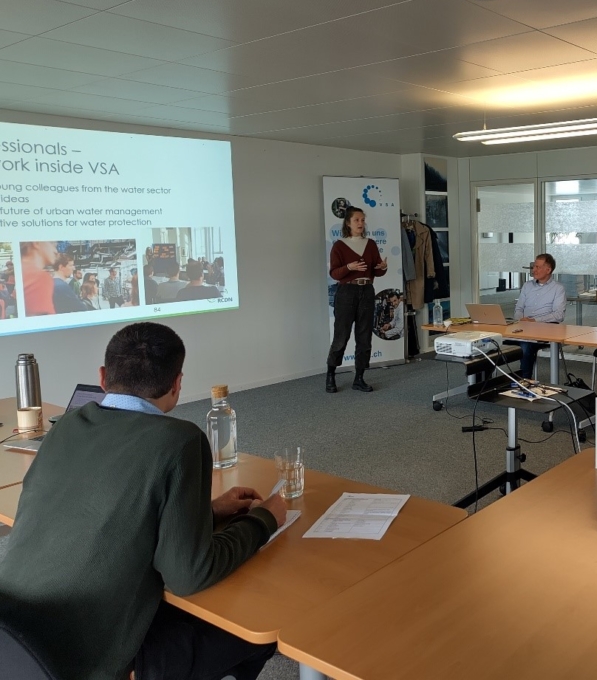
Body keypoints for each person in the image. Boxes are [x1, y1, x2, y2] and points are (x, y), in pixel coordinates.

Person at [0, 322, 286, 680]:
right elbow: (189, 575)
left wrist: (208, 512)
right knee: (259, 626)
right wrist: (263, 520)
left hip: (12, 640)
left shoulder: (66, 426)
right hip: (90, 659)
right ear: (177, 384)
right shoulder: (179, 440)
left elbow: (112, 514)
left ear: (103, 377)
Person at [326, 206, 388, 393]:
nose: (361, 223)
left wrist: (382, 267)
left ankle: (359, 378)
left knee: (364, 337)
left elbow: (376, 271)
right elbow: (334, 274)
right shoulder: (339, 246)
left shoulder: (371, 244)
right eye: (357, 220)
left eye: (362, 220)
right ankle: (330, 375)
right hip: (347, 293)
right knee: (341, 336)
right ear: (348, 223)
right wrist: (349, 267)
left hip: (367, 291)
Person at [512, 253, 566, 380]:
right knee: (494, 341)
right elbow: (518, 309)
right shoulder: (527, 286)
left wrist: (534, 321)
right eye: (533, 267)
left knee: (525, 345)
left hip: (545, 329)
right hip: (522, 327)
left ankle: (525, 381)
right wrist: (520, 319)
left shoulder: (558, 288)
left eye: (537, 267)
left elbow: (559, 315)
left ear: (548, 270)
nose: (534, 270)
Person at [19, 241, 56, 316]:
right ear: (36, 243)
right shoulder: (41, 277)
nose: (56, 251)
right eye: (52, 243)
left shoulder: (20, 269)